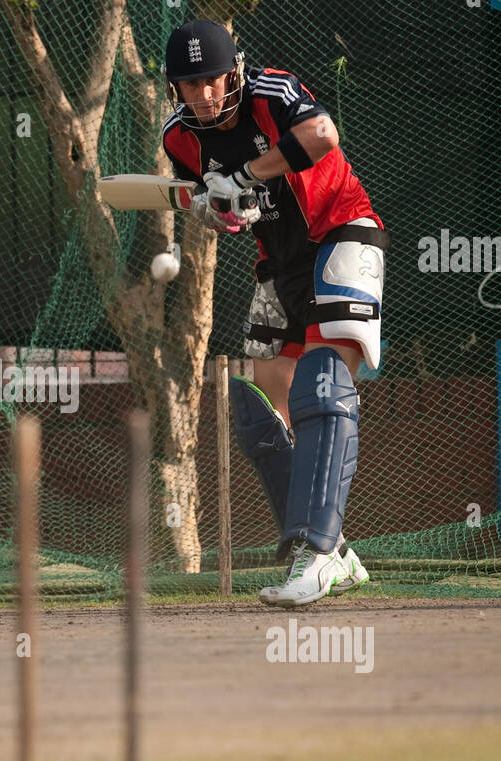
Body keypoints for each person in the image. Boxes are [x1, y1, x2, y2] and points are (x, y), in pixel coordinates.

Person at [161, 20, 390, 607]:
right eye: (190, 85)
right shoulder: (179, 139)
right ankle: (336, 551)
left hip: (343, 232)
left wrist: (244, 176)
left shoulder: (272, 91)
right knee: (261, 408)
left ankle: (315, 557)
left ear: (233, 71)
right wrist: (220, 210)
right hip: (279, 260)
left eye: (212, 79)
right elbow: (214, 206)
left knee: (323, 384)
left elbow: (321, 135)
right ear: (175, 89)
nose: (204, 95)